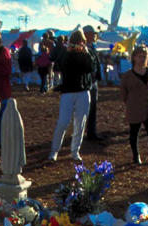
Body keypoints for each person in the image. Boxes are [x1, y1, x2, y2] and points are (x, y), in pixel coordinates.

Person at [47, 30, 94, 163]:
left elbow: (91, 67)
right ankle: (54, 151)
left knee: (80, 123)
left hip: (83, 91)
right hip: (68, 91)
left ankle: (75, 151)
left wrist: (86, 53)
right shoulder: (65, 53)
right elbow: (59, 65)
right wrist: (67, 51)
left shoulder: (87, 53)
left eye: (79, 43)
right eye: (74, 43)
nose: (76, 46)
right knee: (63, 122)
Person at [120, 45, 148, 165]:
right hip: (134, 108)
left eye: (145, 56)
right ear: (134, 58)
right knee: (134, 133)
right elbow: (123, 93)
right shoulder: (127, 75)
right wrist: (130, 103)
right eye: (140, 56)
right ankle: (136, 156)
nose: (142, 59)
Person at [82, 25, 103, 141]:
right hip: (87, 82)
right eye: (92, 33)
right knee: (86, 108)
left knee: (93, 108)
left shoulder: (91, 47)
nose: (94, 35)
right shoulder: (83, 48)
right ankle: (87, 132)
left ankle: (91, 132)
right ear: (86, 34)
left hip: (93, 81)